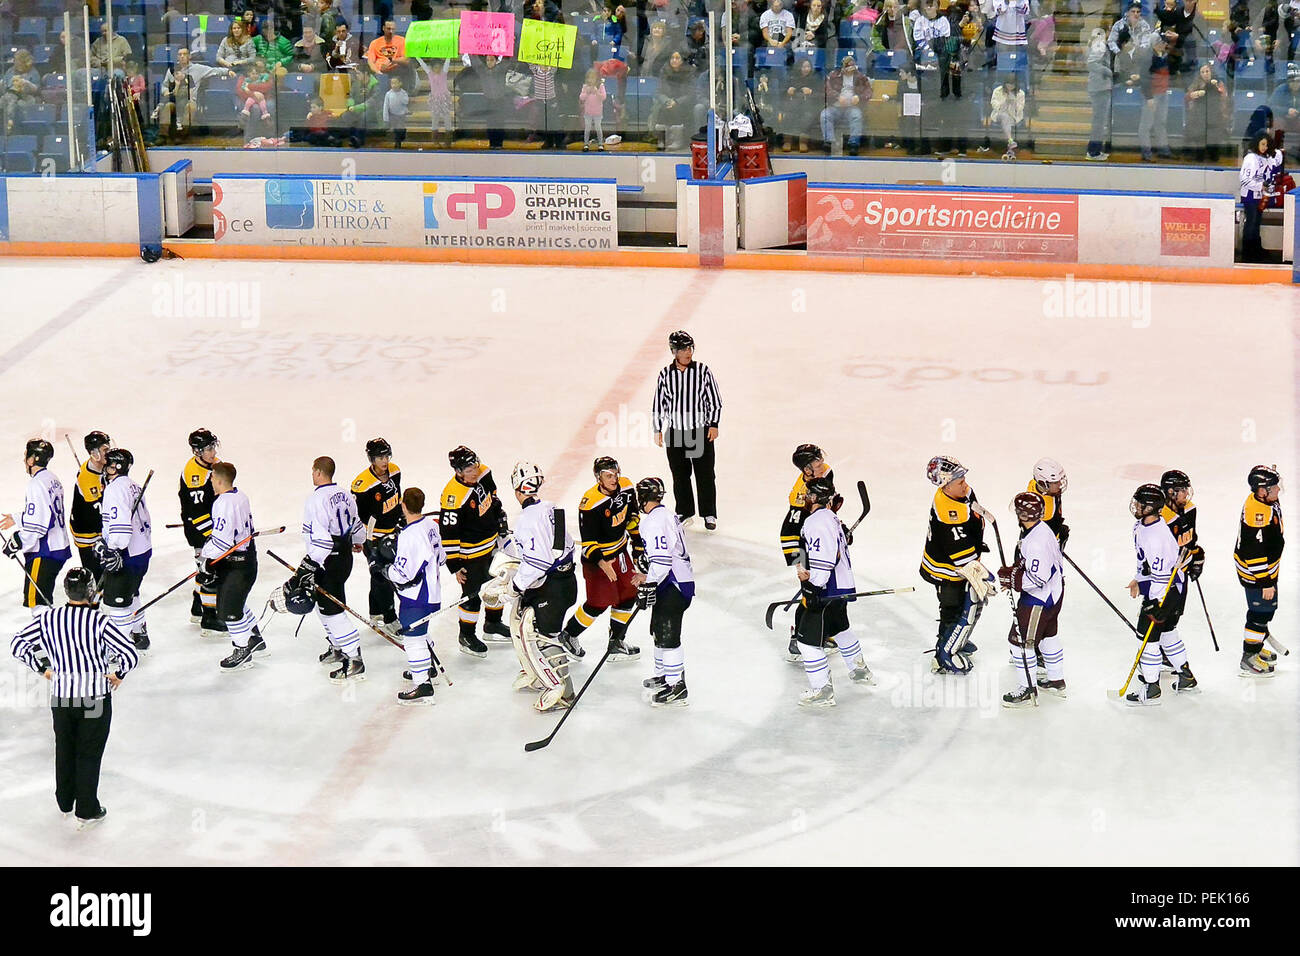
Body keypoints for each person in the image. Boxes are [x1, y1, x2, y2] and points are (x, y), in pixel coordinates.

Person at [9, 567, 140, 830]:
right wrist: (118, 674)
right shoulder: (99, 621)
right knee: (88, 752)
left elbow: (17, 644)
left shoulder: (49, 618)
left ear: (66, 590)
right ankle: (87, 808)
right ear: (91, 591)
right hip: (93, 698)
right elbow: (130, 652)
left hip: (62, 697)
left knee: (65, 748)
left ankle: (65, 801)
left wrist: (43, 669)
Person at [492, 461, 579, 713]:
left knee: (542, 636)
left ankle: (564, 692)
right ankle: (536, 674)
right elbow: (542, 551)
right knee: (519, 624)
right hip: (561, 582)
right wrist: (505, 539)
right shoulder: (551, 508)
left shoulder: (529, 520)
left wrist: (515, 587)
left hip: (552, 587)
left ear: (518, 488)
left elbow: (538, 562)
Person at [793, 475, 873, 707]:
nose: (806, 498)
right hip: (840, 587)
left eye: (809, 494)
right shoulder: (831, 519)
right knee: (840, 628)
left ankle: (822, 690)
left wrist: (813, 587)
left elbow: (823, 560)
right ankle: (859, 670)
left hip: (826, 588)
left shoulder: (816, 521)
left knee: (807, 641)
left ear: (817, 497)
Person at [561, 457, 643, 661]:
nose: (614, 479)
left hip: (621, 552)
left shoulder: (626, 486)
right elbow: (588, 543)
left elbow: (632, 517)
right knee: (598, 603)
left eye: (616, 474)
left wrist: (638, 546)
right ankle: (568, 635)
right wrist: (603, 564)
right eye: (608, 476)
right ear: (599, 478)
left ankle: (616, 642)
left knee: (628, 595)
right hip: (598, 560)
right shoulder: (590, 503)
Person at [294, 456, 367, 682]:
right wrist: (358, 540)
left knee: (332, 609)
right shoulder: (346, 494)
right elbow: (356, 524)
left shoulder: (315, 500)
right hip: (343, 557)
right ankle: (337, 646)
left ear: (317, 472)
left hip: (327, 560)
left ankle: (354, 659)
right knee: (322, 603)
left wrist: (309, 564)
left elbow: (323, 541)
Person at [919, 455, 994, 675]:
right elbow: (960, 558)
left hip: (960, 564)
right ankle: (944, 653)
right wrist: (983, 574)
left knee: (965, 605)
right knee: (954, 610)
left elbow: (974, 513)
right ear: (945, 484)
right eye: (960, 482)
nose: (966, 485)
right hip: (946, 571)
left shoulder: (961, 493)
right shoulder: (947, 513)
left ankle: (956, 640)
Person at [373, 487, 446, 704]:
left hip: (417, 597)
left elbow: (403, 574)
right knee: (421, 632)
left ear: (403, 505)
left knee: (412, 638)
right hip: (432, 591)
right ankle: (428, 667)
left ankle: (423, 684)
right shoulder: (431, 526)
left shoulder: (409, 535)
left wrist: (383, 569)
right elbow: (440, 557)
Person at [1126, 483, 1197, 705]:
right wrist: (1139, 579)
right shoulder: (1141, 527)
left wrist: (1155, 603)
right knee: (1167, 632)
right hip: (1166, 590)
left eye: (1141, 503)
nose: (1136, 506)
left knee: (1146, 638)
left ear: (1152, 507)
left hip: (1166, 592)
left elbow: (1162, 575)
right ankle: (1185, 676)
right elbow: (1144, 562)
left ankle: (1151, 689)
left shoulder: (1157, 536)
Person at [439, 446, 510, 657]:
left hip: (491, 546)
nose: (474, 471)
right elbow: (448, 534)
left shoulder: (484, 472)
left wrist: (499, 518)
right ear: (458, 471)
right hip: (470, 555)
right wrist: (454, 566)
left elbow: (494, 499)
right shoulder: (453, 497)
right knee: (471, 597)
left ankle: (493, 624)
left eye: (474, 465)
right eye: (469, 469)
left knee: (497, 586)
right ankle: (466, 636)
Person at [997, 492, 1065, 707]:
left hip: (1039, 599)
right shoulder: (1041, 529)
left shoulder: (1035, 541)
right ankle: (1056, 680)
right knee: (1048, 636)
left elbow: (1038, 578)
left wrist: (1014, 581)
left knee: (1019, 642)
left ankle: (1027, 689)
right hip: (1055, 593)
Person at [651, 330, 723, 529]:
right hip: (675, 432)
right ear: (674, 351)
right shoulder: (665, 374)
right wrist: (657, 428)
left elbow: (714, 400)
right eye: (683, 348)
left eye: (690, 347)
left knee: (705, 474)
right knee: (680, 475)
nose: (688, 352)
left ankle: (709, 513)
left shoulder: (702, 371)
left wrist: (714, 424)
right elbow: (660, 403)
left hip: (700, 431)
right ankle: (685, 511)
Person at [199, 462, 265, 670]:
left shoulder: (223, 503)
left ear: (219, 479)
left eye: (211, 478)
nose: (210, 482)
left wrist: (205, 558)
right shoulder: (240, 496)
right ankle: (254, 637)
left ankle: (242, 650)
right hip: (246, 559)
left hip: (237, 563)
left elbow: (223, 541)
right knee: (237, 601)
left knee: (229, 609)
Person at [633, 477, 693, 706]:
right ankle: (664, 675)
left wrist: (648, 582)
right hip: (674, 581)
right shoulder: (667, 515)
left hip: (673, 584)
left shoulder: (653, 522)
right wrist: (648, 578)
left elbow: (661, 561)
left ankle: (677, 685)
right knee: (658, 628)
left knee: (668, 635)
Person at [780, 444, 839, 662]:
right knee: (810, 593)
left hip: (816, 537)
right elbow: (791, 532)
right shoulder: (800, 495)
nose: (822, 465)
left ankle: (821, 633)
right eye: (816, 464)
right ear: (806, 470)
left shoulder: (825, 472)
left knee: (823, 590)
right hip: (801, 544)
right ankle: (799, 638)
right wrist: (800, 565)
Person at [1, 440, 70, 617]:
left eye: (26, 455)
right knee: (43, 596)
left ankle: (44, 641)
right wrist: (17, 518)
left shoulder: (36, 484)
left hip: (44, 552)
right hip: (58, 548)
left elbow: (38, 526)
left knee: (37, 602)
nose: (24, 459)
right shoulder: (51, 478)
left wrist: (17, 542)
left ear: (32, 459)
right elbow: (46, 513)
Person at [97, 448, 152, 654]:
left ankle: (118, 649)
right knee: (132, 593)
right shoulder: (133, 487)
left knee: (117, 602)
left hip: (126, 553)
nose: (105, 468)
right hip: (142, 551)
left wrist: (112, 548)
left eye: (108, 465)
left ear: (115, 467)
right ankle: (139, 633)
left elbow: (120, 527)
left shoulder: (114, 489)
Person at [1234, 465, 1285, 676]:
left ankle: (1256, 645)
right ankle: (1249, 658)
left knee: (1266, 611)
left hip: (1265, 572)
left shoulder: (1264, 500)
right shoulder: (1257, 514)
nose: (1278, 491)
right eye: (1274, 488)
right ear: (1262, 491)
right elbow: (1253, 553)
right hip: (1256, 574)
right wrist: (1265, 582)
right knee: (1260, 613)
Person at [351, 438, 402, 634]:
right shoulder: (362, 485)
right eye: (380, 457)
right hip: (372, 537)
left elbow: (396, 499)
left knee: (379, 575)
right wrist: (361, 541)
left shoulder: (395, 470)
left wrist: (401, 520)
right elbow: (354, 516)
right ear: (372, 458)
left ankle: (375, 612)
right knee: (385, 575)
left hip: (392, 534)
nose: (385, 460)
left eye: (387, 455)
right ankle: (390, 618)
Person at [179, 428, 224, 638]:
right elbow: (198, 514)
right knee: (210, 573)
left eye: (213, 446)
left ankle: (197, 607)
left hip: (208, 526)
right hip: (201, 531)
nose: (213, 451)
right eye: (208, 448)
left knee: (204, 568)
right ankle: (209, 618)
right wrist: (214, 536)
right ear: (197, 451)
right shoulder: (194, 475)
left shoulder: (210, 464)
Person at [69, 432, 111, 585]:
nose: (109, 453)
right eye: (105, 450)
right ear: (94, 453)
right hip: (87, 534)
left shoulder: (102, 468)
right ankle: (95, 602)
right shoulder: (88, 479)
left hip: (94, 528)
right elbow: (98, 513)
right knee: (96, 575)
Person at [1240, 133, 1284, 262]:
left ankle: (1256, 250)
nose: (1265, 147)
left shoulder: (1265, 157)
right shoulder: (1250, 158)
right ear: (1257, 143)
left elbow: (1277, 160)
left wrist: (1277, 147)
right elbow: (1244, 179)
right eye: (1262, 144)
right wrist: (1260, 186)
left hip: (1260, 196)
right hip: (1250, 196)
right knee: (1251, 223)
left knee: (1256, 223)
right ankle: (1248, 253)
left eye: (1267, 144)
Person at [820, 53, 871, 155]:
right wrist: (837, 96)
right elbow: (826, 89)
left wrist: (859, 97)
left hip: (852, 107)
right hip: (836, 106)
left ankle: (853, 144)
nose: (850, 68)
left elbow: (868, 90)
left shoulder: (860, 77)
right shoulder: (833, 76)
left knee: (857, 116)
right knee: (825, 115)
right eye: (848, 66)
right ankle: (829, 141)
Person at [1184, 62, 1230, 163]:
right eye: (1203, 72)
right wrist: (1193, 94)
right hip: (1199, 117)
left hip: (1215, 116)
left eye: (1207, 71)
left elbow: (1225, 96)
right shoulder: (1196, 84)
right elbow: (1187, 97)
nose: (1205, 74)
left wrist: (1217, 87)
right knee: (1200, 139)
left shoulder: (1218, 82)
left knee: (1214, 141)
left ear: (1211, 72)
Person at [1138, 37, 1173, 162]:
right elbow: (1144, 78)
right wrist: (1149, 97)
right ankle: (1146, 153)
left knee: (1161, 123)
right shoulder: (1148, 57)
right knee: (1146, 125)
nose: (1164, 44)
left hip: (1163, 93)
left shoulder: (1164, 55)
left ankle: (1164, 150)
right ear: (1156, 43)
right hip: (1153, 95)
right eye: (1162, 42)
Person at [1085, 28, 1112, 161]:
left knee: (1100, 121)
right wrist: (1109, 71)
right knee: (1099, 121)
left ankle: (1095, 149)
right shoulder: (1097, 45)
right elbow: (1092, 64)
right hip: (1099, 87)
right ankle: (1093, 151)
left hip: (1101, 86)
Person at [989, 72, 1024, 160]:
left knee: (1007, 118)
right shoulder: (997, 91)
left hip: (1014, 116)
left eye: (1012, 85)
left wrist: (1014, 102)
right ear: (1005, 84)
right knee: (1004, 116)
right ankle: (1011, 141)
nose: (1010, 87)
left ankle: (1010, 143)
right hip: (999, 115)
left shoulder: (1020, 93)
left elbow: (1020, 109)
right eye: (1008, 85)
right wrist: (1005, 102)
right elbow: (994, 104)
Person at [580, 68, 608, 151]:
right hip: (588, 112)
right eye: (589, 78)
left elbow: (603, 97)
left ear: (596, 78)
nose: (590, 80)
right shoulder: (585, 87)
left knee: (598, 128)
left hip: (597, 112)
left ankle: (600, 144)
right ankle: (586, 144)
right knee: (587, 128)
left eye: (592, 78)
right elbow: (581, 97)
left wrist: (597, 92)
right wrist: (587, 93)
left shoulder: (600, 86)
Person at [384, 75, 409, 147]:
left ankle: (402, 136)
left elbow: (406, 102)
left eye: (395, 83)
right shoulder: (388, 94)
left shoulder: (403, 93)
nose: (394, 85)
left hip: (401, 114)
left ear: (400, 83)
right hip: (393, 115)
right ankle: (397, 143)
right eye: (392, 83)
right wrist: (385, 117)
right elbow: (386, 106)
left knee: (401, 129)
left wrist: (400, 96)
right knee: (396, 129)